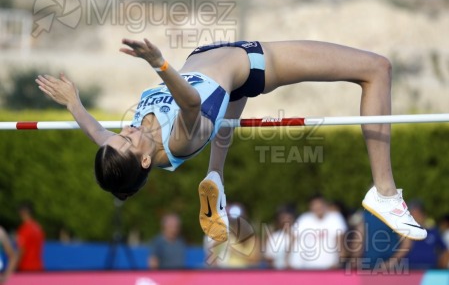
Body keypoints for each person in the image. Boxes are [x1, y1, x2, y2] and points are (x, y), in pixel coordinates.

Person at [35, 38, 427, 242]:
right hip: (254, 62)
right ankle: (385, 192)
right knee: (377, 68)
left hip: (212, 62)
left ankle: (216, 178)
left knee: (225, 116)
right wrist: (160, 64)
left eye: (120, 134)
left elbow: (97, 132)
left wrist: (74, 104)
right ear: (142, 161)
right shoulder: (178, 140)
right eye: (128, 140)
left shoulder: (130, 147)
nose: (126, 130)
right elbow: (189, 102)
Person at [289, 195, 347, 269]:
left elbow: (340, 242)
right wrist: (288, 261)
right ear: (310, 207)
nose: (318, 208)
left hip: (330, 267)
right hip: (306, 267)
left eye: (320, 205)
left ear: (325, 205)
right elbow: (293, 240)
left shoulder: (335, 218)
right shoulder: (304, 219)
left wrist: (339, 262)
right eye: (315, 205)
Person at [406, 201, 449, 269]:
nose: (415, 217)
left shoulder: (433, 232)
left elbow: (445, 250)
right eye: (412, 215)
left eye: (417, 214)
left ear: (424, 215)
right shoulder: (404, 233)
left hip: (430, 270)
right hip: (409, 269)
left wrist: (442, 268)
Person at [264, 204, 297, 269]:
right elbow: (269, 258)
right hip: (280, 273)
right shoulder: (274, 237)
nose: (286, 220)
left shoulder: (301, 233)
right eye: (283, 218)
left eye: (289, 218)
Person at [16, 202, 45, 271]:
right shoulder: (38, 227)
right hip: (38, 266)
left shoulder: (24, 229)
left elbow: (22, 250)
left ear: (23, 213)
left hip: (26, 267)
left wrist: (14, 266)